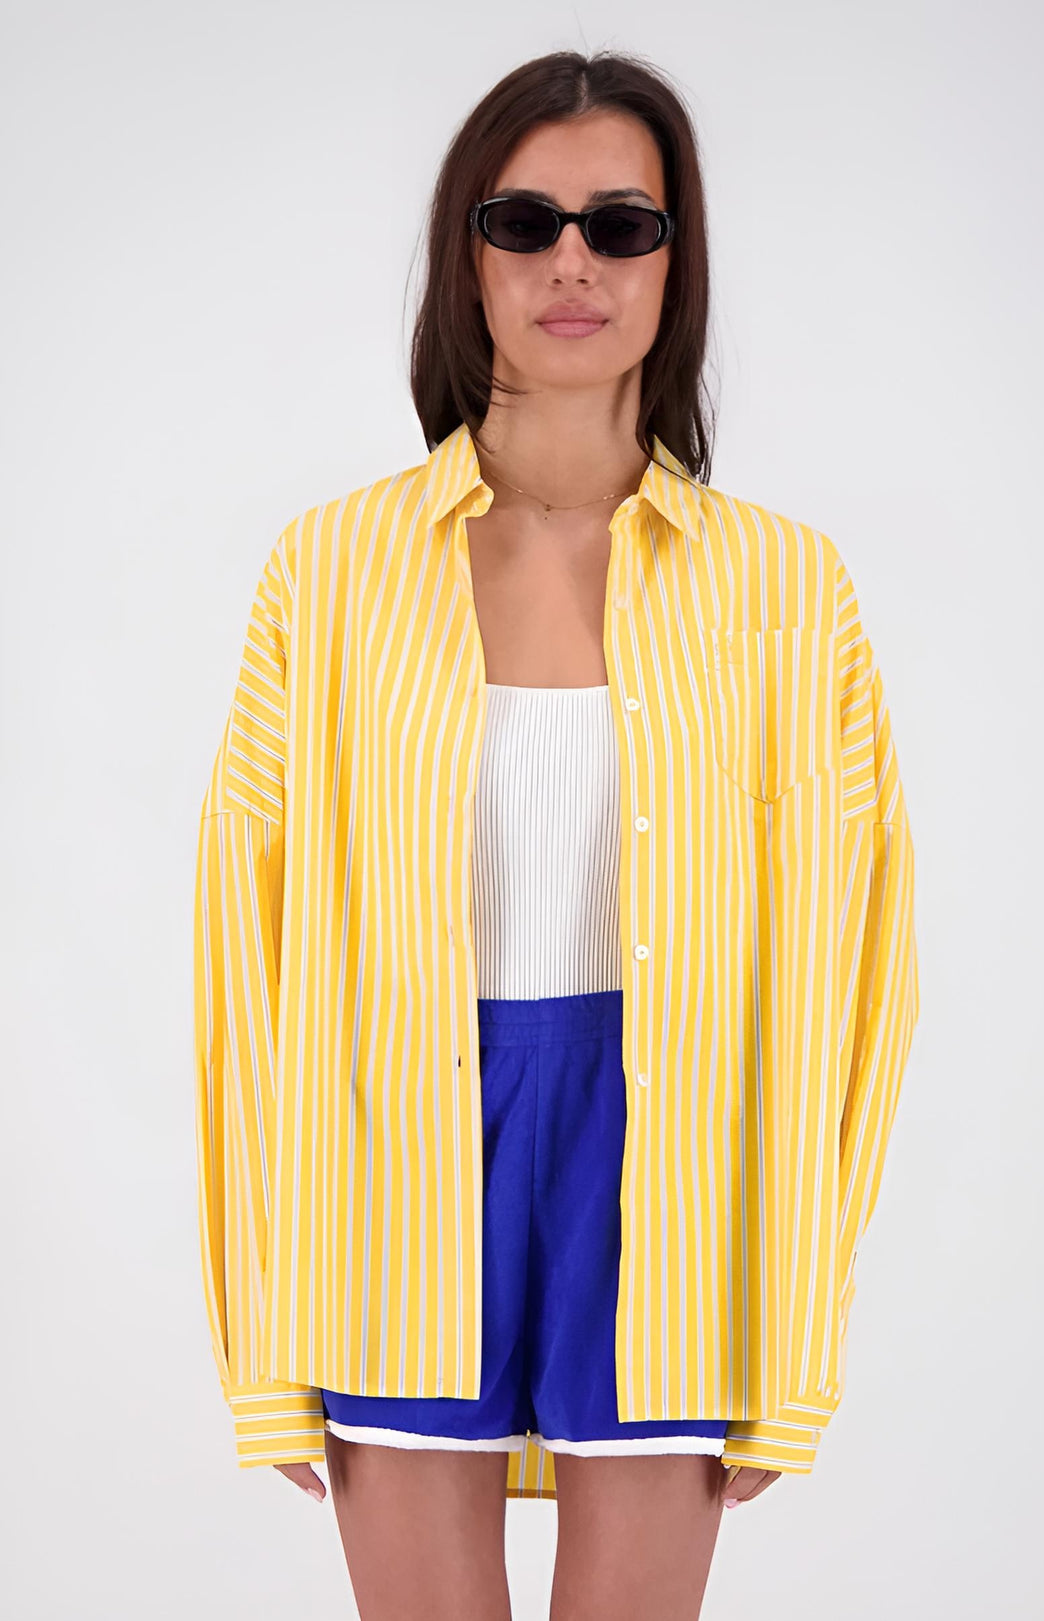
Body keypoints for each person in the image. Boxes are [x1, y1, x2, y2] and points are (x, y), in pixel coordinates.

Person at [193, 48, 920, 1621]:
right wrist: (262, 1327)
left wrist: (796, 1317)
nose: (571, 261)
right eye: (523, 221)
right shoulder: (329, 575)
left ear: (675, 258)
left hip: (670, 1167)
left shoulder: (790, 591)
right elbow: (242, 959)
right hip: (392, 1152)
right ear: (466, 254)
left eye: (621, 224)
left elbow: (864, 971)